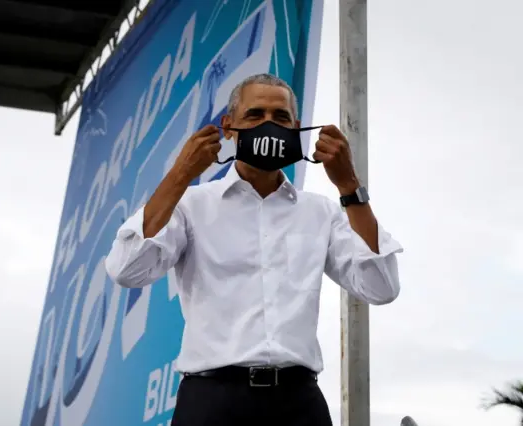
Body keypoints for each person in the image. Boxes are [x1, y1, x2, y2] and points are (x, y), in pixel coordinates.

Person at [105, 73, 403, 426]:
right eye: (254, 115)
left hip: (298, 401)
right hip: (212, 399)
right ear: (228, 127)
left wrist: (349, 185)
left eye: (280, 118)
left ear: (296, 127)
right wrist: (180, 175)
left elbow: (382, 287)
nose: (268, 125)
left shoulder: (320, 211)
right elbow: (127, 270)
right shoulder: (191, 205)